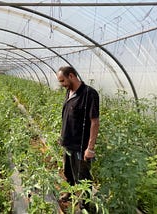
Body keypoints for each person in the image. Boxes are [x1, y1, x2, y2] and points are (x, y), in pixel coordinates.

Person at [56, 66, 99, 208]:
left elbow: (94, 122)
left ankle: (84, 206)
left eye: (63, 81)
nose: (61, 84)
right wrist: (62, 135)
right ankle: (70, 192)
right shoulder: (69, 91)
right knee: (68, 172)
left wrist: (90, 148)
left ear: (72, 76)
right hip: (67, 143)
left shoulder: (89, 94)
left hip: (81, 146)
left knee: (83, 177)